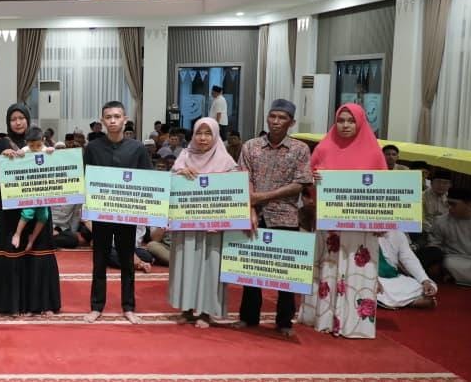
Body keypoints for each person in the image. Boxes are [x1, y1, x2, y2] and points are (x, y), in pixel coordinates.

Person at [300, 103, 383, 338]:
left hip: (361, 227)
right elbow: (307, 181)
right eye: (341, 120)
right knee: (329, 267)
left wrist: (382, 223)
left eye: (351, 121)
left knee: (357, 271)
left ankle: (354, 324)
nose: (345, 125)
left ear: (361, 122)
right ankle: (325, 317)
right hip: (330, 225)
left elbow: (384, 191)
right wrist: (313, 180)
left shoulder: (374, 152)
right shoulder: (324, 148)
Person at [232, 99, 312, 338]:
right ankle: (248, 317)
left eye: (282, 118)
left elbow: (300, 184)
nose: (276, 122)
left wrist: (263, 196)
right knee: (251, 268)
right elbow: (243, 177)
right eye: (273, 116)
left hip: (285, 216)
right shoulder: (251, 146)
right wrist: (250, 208)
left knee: (284, 273)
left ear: (291, 122)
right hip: (255, 214)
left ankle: (284, 321)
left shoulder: (300, 149)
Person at [0, 103, 62, 316]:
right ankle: (10, 303)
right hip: (11, 210)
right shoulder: (2, 144)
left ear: (28, 119)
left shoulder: (40, 141)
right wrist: (6, 159)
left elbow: (54, 169)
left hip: (38, 203)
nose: (18, 122)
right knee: (12, 250)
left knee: (39, 249)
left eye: (21, 118)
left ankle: (41, 303)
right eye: (13, 119)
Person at [83, 100, 153, 324]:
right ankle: (96, 306)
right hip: (101, 215)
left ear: (125, 119)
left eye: (117, 116)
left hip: (127, 215)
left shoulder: (137, 149)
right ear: (102, 120)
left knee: (127, 261)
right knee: (99, 261)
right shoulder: (92, 148)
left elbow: (149, 181)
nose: (113, 121)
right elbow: (83, 179)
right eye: (108, 117)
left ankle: (128, 307)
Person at [168, 117, 241, 328]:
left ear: (216, 135)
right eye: (199, 133)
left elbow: (235, 190)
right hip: (187, 224)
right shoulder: (185, 155)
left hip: (213, 227)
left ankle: (206, 312)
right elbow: (170, 182)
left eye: (208, 133)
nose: (202, 138)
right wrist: (180, 174)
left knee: (211, 266)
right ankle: (186, 308)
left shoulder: (226, 161)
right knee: (186, 264)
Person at [420, 187, 471, 287]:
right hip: (456, 261)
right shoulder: (441, 221)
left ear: (469, 204)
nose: (449, 208)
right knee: (448, 263)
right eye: (448, 204)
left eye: (453, 204)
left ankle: (454, 277)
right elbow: (434, 246)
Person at [13, 127, 52, 252]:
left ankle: (32, 239)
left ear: (43, 140)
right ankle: (17, 234)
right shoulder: (25, 150)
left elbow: (55, 157)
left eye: (38, 145)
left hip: (43, 190)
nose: (35, 148)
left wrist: (52, 151)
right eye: (32, 146)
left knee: (44, 216)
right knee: (27, 212)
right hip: (29, 189)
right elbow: (18, 155)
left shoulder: (46, 150)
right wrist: (19, 153)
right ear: (26, 143)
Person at [377, 230, 437, 309]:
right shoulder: (363, 231)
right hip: (371, 277)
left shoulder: (397, 233)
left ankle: (402, 301)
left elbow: (409, 258)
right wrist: (373, 281)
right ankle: (411, 302)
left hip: (392, 278)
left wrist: (425, 281)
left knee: (429, 286)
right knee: (369, 287)